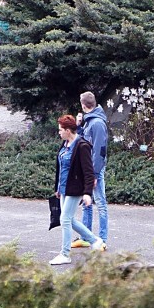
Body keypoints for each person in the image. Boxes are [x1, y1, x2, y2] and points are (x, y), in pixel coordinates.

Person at [50, 114, 105, 266]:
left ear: (68, 130)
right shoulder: (65, 144)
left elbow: (88, 172)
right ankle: (95, 240)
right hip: (64, 188)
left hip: (76, 189)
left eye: (61, 130)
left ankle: (65, 254)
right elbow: (60, 167)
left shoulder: (82, 146)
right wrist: (57, 188)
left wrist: (87, 193)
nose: (59, 132)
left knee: (65, 219)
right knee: (69, 219)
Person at [74, 91, 109, 251]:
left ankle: (102, 239)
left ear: (83, 105)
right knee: (86, 202)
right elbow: (83, 141)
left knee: (100, 202)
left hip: (94, 170)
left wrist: (94, 174)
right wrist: (79, 126)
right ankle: (86, 238)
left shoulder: (97, 123)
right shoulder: (89, 121)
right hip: (87, 169)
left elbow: (100, 151)